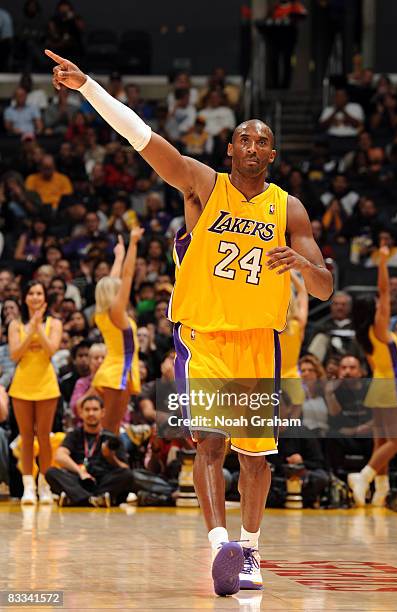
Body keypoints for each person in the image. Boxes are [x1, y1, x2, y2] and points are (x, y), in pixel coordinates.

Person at [45, 48, 332, 596]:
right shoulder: (203, 184)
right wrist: (87, 88)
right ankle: (220, 545)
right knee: (209, 444)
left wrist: (303, 266)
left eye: (263, 141)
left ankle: (249, 549)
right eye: (244, 139)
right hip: (202, 338)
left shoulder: (290, 210)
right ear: (231, 149)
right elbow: (143, 138)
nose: (253, 146)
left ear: (273, 153)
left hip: (256, 343)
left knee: (256, 459)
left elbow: (324, 286)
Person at [348, 246, 397, 507]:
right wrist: (383, 262)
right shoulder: (380, 327)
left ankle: (380, 492)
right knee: (395, 441)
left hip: (377, 386)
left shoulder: (365, 333)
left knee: (381, 441)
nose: (379, 303)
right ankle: (363, 476)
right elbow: (385, 291)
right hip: (391, 386)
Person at [8, 280, 62, 504]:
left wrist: (39, 326)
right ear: (25, 298)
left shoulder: (54, 323)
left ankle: (45, 485)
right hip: (21, 385)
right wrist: (31, 327)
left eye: (39, 293)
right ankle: (28, 485)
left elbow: (51, 350)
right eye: (31, 293)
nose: (35, 297)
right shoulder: (15, 325)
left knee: (45, 438)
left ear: (45, 298)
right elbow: (15, 354)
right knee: (27, 437)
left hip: (47, 385)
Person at [92, 232, 143, 434]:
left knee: (111, 427)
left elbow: (113, 280)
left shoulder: (104, 312)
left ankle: (105, 462)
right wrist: (133, 244)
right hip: (117, 374)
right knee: (110, 428)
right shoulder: (116, 313)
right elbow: (128, 275)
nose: (122, 288)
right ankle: (100, 464)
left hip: (115, 370)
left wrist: (119, 256)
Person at [46, 395, 134, 507]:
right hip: (79, 479)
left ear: (102, 412)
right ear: (81, 413)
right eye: (87, 410)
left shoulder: (112, 438)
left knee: (127, 475)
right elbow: (60, 456)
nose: (91, 413)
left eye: (95, 409)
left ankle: (78, 498)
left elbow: (125, 468)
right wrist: (79, 471)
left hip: (103, 480)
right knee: (51, 472)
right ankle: (94, 499)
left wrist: (111, 457)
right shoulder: (74, 435)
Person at [280, 272, 308, 417]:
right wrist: (290, 272)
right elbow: (303, 292)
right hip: (292, 378)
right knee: (294, 427)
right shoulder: (298, 325)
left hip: (270, 378)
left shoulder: (269, 328)